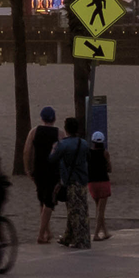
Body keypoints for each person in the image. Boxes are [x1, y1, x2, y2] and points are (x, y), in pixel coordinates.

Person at [50, 118, 93, 248]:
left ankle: (81, 239)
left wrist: (53, 149)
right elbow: (88, 158)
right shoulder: (84, 143)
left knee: (75, 212)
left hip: (70, 180)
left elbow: (52, 159)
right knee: (80, 209)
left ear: (66, 129)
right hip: (82, 180)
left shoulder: (63, 144)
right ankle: (68, 236)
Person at [27, 106, 62, 244]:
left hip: (38, 170)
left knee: (42, 200)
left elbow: (26, 151)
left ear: (42, 118)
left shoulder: (34, 132)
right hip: (52, 171)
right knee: (49, 202)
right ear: (54, 118)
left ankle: (48, 232)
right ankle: (41, 234)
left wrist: (27, 169)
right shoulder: (59, 133)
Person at [86, 130, 114, 242]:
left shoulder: (88, 153)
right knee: (101, 211)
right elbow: (109, 169)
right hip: (103, 182)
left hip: (92, 183)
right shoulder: (105, 153)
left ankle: (105, 231)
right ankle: (96, 234)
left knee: (98, 207)